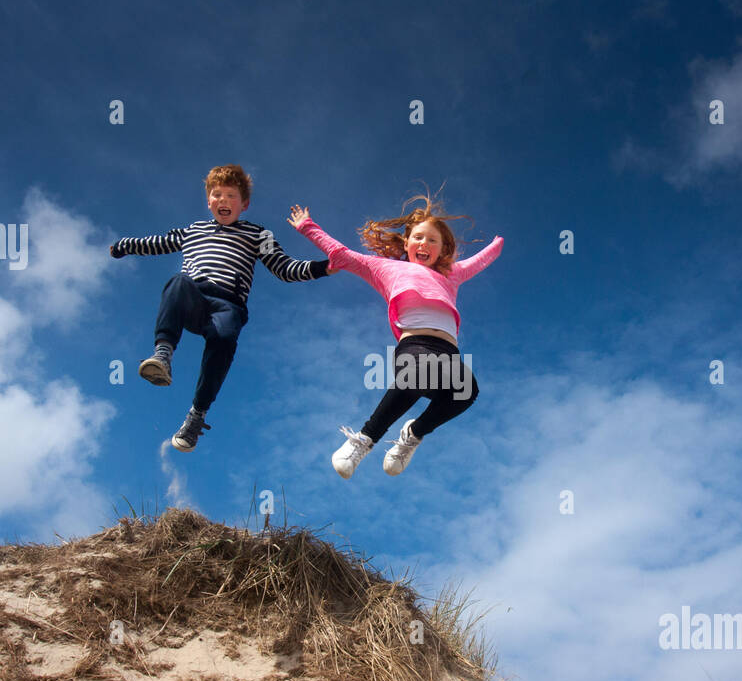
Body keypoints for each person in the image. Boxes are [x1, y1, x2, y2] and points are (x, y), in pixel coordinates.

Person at [110, 164, 331, 451]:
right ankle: (163, 354)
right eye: (217, 195)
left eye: (231, 195)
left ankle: (196, 415)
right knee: (178, 282)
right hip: (194, 298)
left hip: (228, 304)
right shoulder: (194, 230)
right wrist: (124, 245)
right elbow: (158, 243)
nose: (223, 201)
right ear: (208, 201)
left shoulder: (257, 234)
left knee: (225, 337)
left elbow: (284, 268)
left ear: (244, 204)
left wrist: (323, 267)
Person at [288, 195, 503, 476]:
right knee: (420, 372)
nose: (424, 244)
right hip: (415, 345)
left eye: (432, 240)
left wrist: (498, 243)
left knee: (466, 392)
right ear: (406, 243)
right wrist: (307, 226)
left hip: (448, 353)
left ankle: (412, 435)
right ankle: (364, 439)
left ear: (443, 248)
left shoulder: (450, 274)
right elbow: (342, 254)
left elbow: (479, 261)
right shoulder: (388, 268)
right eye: (418, 238)